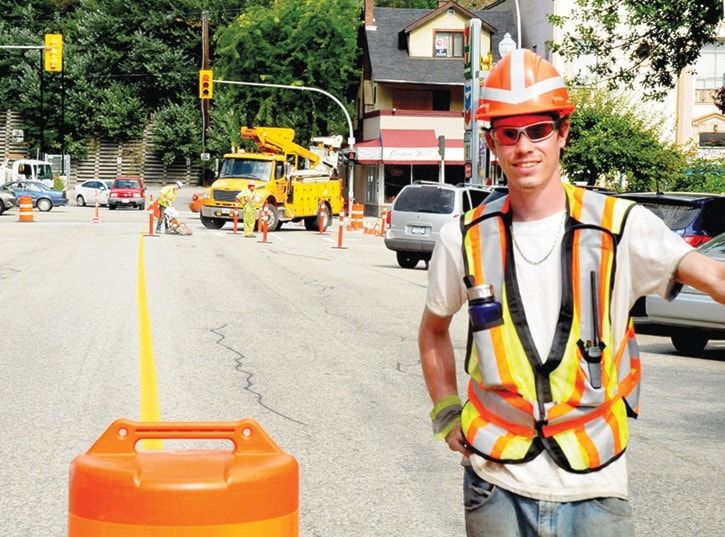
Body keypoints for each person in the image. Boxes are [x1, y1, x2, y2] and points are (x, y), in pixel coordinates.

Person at [418, 49, 725, 537]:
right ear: (492, 143)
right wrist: (445, 411)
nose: (525, 146)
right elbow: (434, 330)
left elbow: (715, 278)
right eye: (509, 132)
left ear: (562, 132)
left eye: (538, 129)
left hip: (595, 487)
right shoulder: (464, 237)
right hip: (495, 483)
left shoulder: (621, 228)